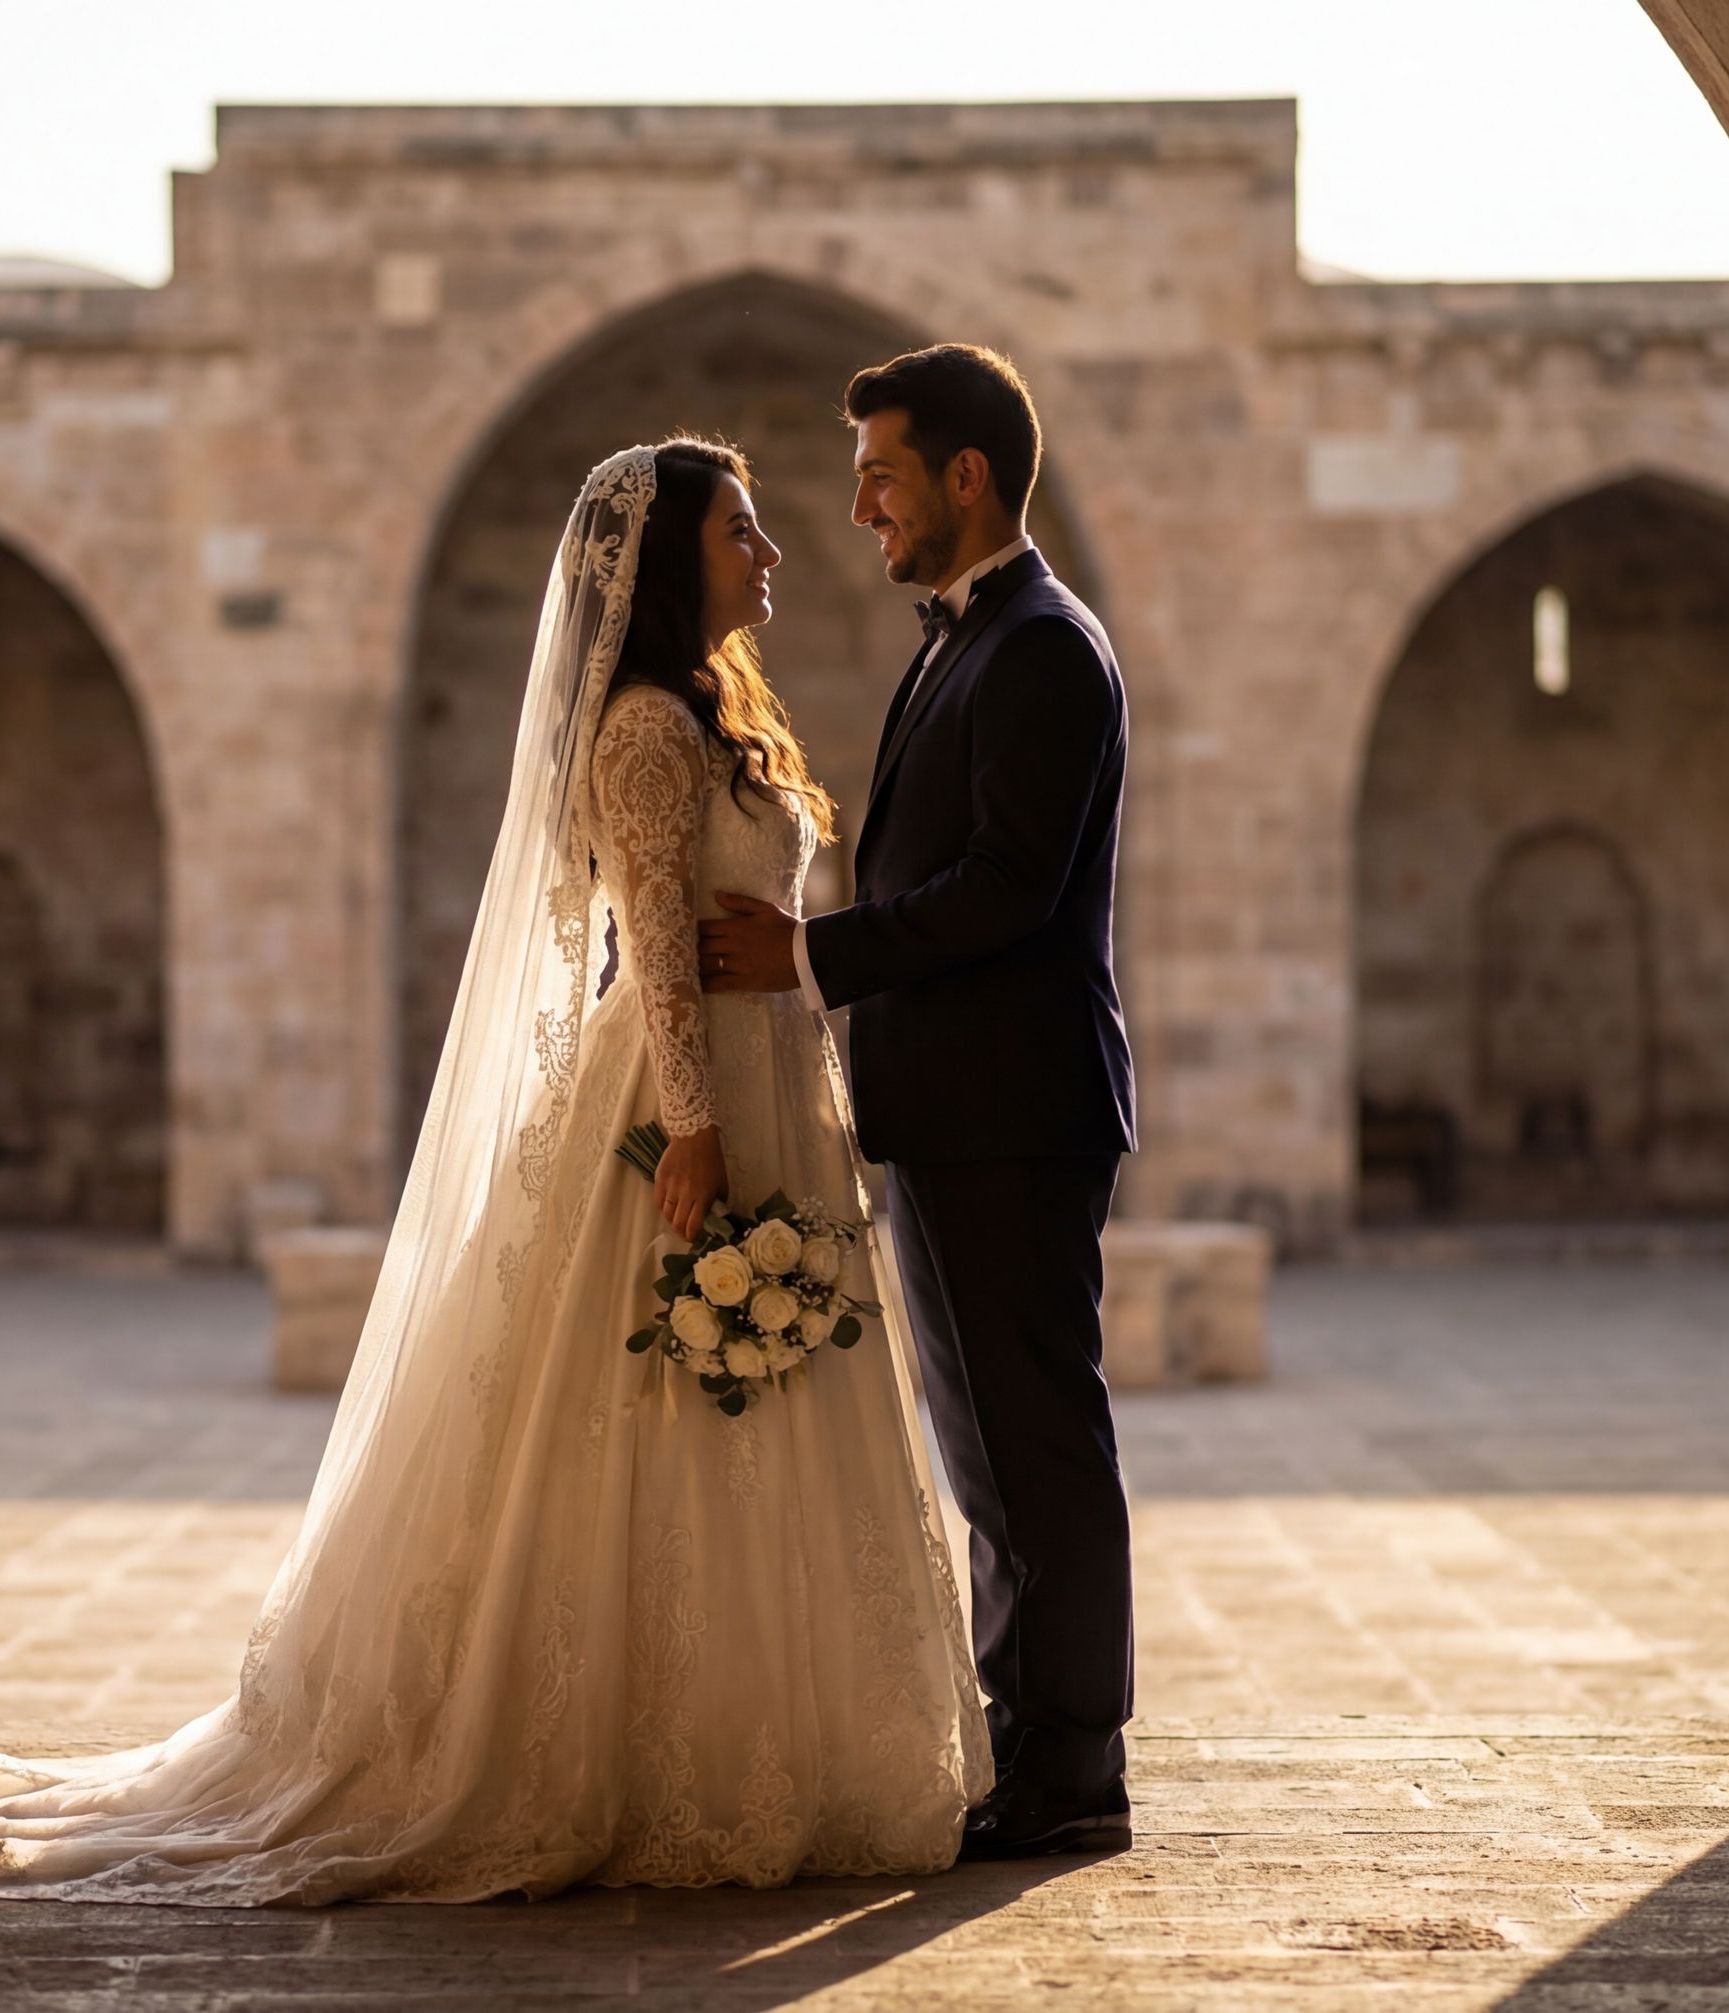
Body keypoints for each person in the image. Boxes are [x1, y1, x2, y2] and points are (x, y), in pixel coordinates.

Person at [0, 438, 989, 1903]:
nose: (771, 551)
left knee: (752, 1418)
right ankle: (653, 1743)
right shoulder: (648, 725)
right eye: (743, 530)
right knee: (652, 1406)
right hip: (691, 1095)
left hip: (778, 1082)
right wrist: (697, 1129)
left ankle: (765, 1726)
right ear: (670, 562)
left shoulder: (719, 712)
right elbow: (649, 938)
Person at [700, 344, 1136, 1859]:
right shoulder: (960, 640)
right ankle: (1035, 1749)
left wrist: (810, 956)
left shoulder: (1044, 648)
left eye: (881, 472)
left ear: (967, 476)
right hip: (952, 1108)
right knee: (990, 1454)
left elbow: (1009, 890)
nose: (858, 503)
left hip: (1014, 1108)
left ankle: (1074, 1771)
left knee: (1037, 1447)